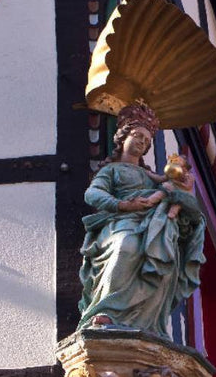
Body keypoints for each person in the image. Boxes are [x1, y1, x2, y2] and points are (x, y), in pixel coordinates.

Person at [77, 102, 206, 338]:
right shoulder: (112, 170)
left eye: (146, 141)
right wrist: (123, 204)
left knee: (164, 256)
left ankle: (147, 321)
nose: (141, 143)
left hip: (152, 224)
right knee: (126, 245)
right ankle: (107, 311)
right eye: (137, 136)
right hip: (121, 221)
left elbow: (187, 206)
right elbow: (93, 194)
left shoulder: (153, 177)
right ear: (123, 137)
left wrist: (184, 191)